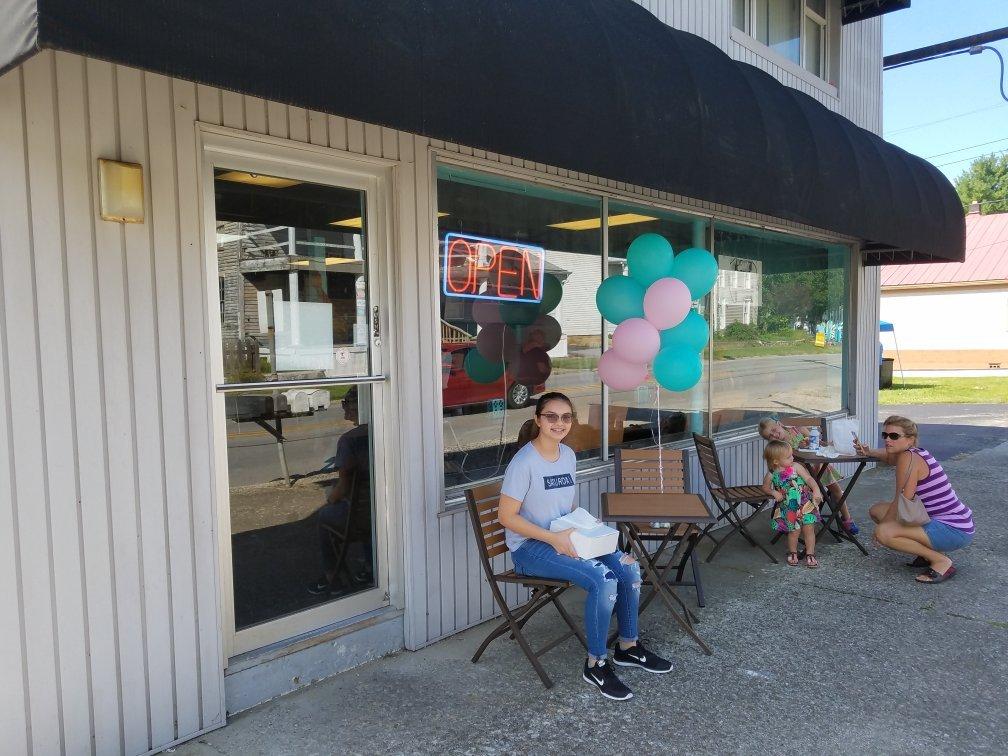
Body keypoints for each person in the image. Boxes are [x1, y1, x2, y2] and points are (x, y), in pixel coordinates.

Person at [498, 391, 672, 701]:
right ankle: (595, 663)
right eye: (551, 416)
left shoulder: (567, 454)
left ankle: (627, 647)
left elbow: (566, 507)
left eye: (566, 417)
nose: (559, 423)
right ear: (538, 419)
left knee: (628, 570)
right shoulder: (524, 462)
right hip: (531, 548)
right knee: (602, 580)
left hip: (565, 535)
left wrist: (588, 532)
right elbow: (506, 517)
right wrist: (554, 539)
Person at [856, 416, 974, 584]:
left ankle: (941, 561)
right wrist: (869, 452)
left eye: (894, 436)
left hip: (954, 529)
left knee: (884, 532)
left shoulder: (908, 459)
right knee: (877, 510)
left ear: (910, 439)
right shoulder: (914, 453)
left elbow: (903, 499)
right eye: (885, 435)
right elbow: (889, 457)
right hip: (952, 522)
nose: (887, 440)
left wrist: (883, 529)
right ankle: (927, 555)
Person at [309, 387, 373, 596]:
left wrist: (331, 497)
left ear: (358, 407)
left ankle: (331, 577)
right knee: (368, 510)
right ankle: (371, 566)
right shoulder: (386, 430)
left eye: (348, 405)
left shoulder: (350, 440)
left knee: (325, 517)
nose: (345, 411)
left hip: (362, 517)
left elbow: (343, 487)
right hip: (384, 510)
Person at [758, 418, 859, 534]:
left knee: (836, 490)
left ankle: (847, 519)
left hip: (819, 468)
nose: (775, 435)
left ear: (779, 424)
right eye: (770, 436)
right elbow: (784, 468)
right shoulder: (778, 448)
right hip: (800, 478)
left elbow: (820, 445)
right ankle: (806, 522)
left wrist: (824, 444)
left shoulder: (799, 430)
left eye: (774, 430)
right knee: (804, 494)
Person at [761, 440, 823, 568]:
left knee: (809, 529)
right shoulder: (772, 474)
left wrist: (816, 490)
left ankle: (810, 553)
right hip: (789, 507)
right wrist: (773, 492)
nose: (792, 457)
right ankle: (793, 552)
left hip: (805, 503)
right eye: (788, 456)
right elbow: (765, 488)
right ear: (776, 461)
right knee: (794, 531)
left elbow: (809, 479)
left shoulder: (796, 466)